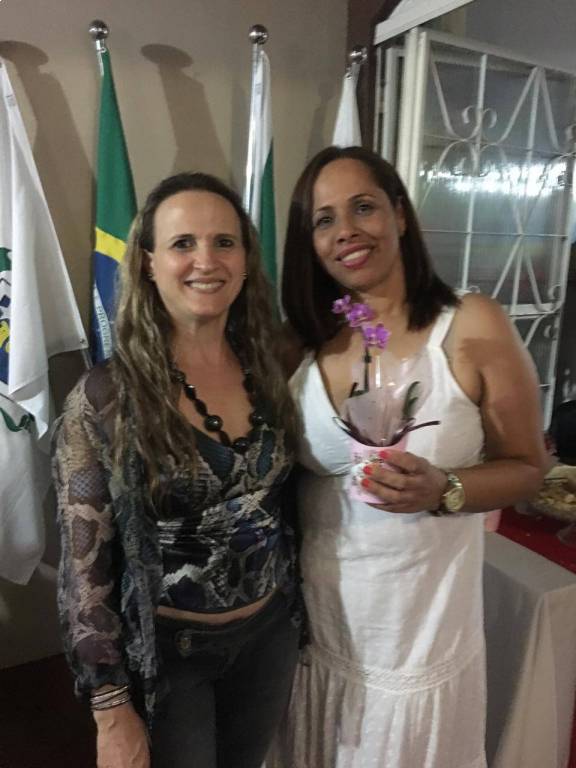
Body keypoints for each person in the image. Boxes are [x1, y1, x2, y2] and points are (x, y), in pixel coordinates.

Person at [268, 146, 546, 768]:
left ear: (398, 213)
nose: (346, 231)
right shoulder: (299, 343)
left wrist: (446, 488)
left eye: (363, 207)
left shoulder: (471, 323)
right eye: (324, 220)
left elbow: (529, 466)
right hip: (317, 632)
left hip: (419, 637)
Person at [53, 172, 301, 768]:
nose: (205, 261)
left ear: (245, 259)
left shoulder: (273, 367)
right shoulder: (104, 399)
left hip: (271, 637)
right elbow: (84, 572)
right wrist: (110, 707)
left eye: (224, 242)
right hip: (171, 659)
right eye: (183, 243)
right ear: (148, 262)